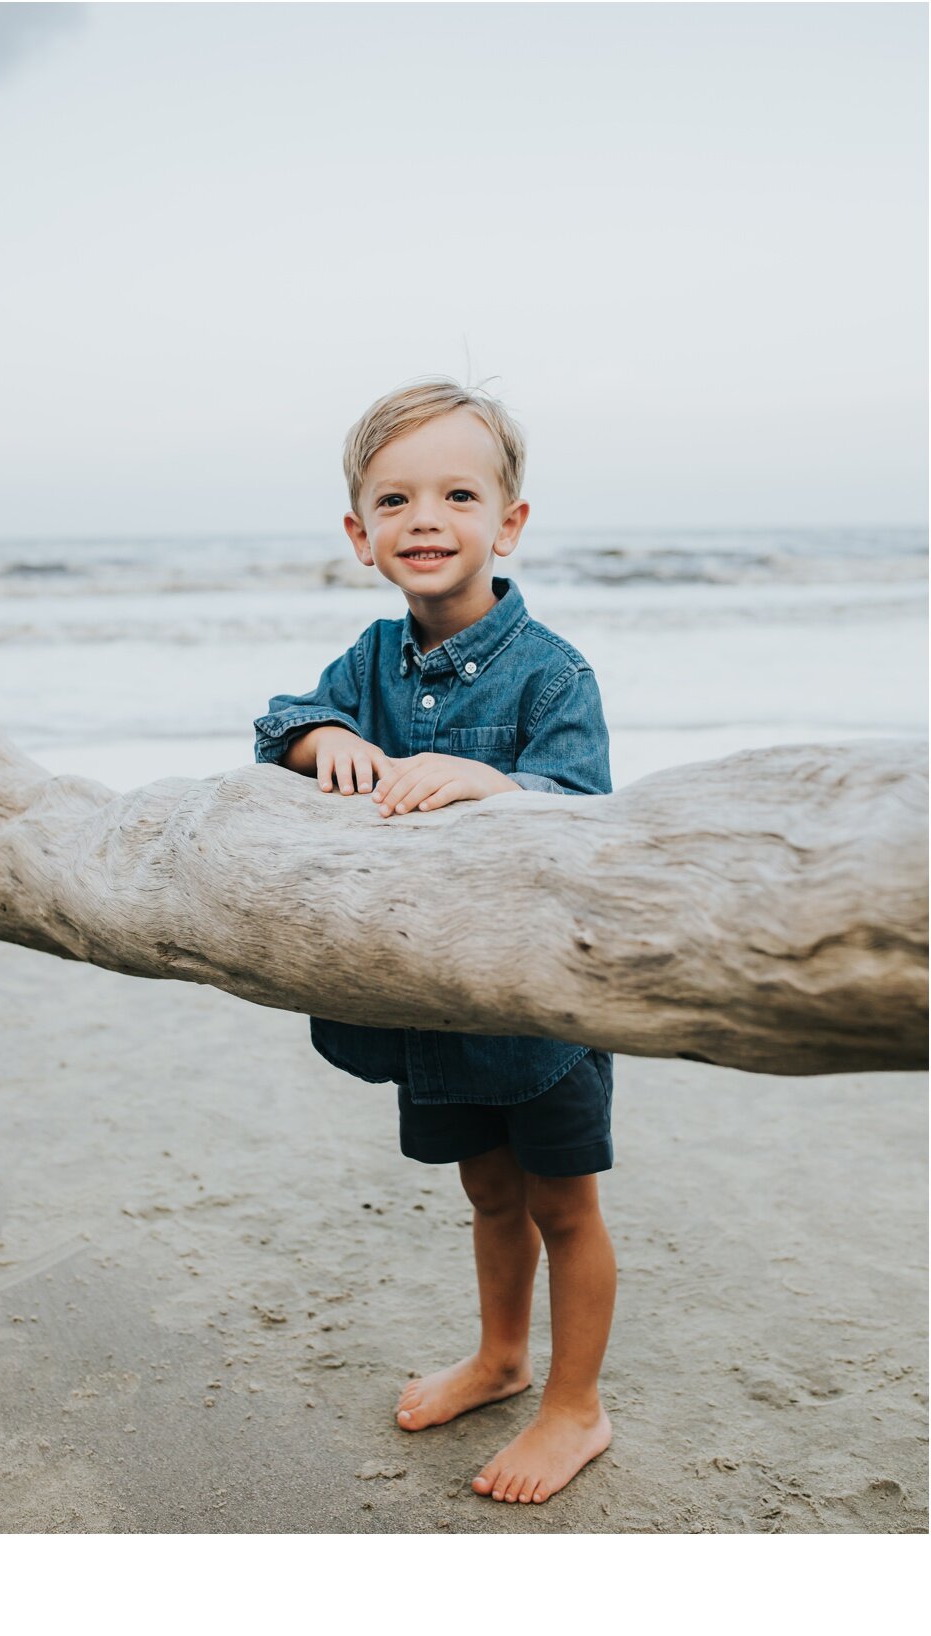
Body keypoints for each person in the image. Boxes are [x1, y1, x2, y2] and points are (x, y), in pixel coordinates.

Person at [253, 379, 616, 1505]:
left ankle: (574, 1405)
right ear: (359, 536)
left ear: (505, 524)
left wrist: (489, 779)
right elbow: (276, 723)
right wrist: (321, 743)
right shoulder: (367, 662)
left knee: (564, 1203)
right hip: (432, 1003)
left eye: (456, 493)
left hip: (537, 1005)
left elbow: (587, 810)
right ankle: (500, 1358)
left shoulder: (552, 671)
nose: (425, 518)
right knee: (486, 1191)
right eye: (394, 498)